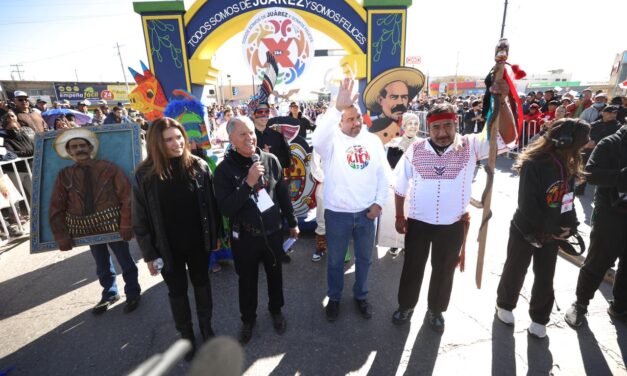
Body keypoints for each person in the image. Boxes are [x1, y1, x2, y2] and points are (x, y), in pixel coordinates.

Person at [391, 84, 516, 332]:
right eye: (436, 127)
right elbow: (399, 185)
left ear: (455, 124)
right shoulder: (415, 149)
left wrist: (502, 102)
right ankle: (406, 306)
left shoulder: (471, 145)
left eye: (447, 125)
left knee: (444, 270)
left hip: (452, 224)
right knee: (412, 268)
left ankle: (436, 310)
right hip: (418, 222)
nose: (442, 132)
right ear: (429, 128)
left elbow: (508, 138)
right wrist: (398, 214)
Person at [133, 117, 222, 359]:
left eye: (179, 136)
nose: (177, 143)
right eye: (168, 139)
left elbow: (212, 207)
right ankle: (186, 337)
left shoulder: (199, 166)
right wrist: (149, 254)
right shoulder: (144, 175)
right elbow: (139, 219)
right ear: (156, 143)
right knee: (177, 292)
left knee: (202, 285)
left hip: (198, 243)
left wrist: (216, 236)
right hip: (166, 247)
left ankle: (206, 328)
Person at [495, 118, 590, 339]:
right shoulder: (534, 162)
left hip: (553, 231)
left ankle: (539, 318)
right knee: (515, 269)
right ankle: (504, 305)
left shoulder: (570, 162)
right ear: (566, 140)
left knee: (546, 276)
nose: (588, 143)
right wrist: (551, 228)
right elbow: (527, 205)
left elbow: (568, 198)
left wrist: (571, 225)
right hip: (525, 229)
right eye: (584, 139)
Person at [213, 116, 299, 344]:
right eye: (243, 134)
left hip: (272, 233)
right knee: (247, 281)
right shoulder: (223, 170)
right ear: (231, 139)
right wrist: (248, 183)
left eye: (251, 132)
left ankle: (276, 310)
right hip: (245, 237)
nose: (250, 138)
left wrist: (292, 222)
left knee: (275, 275)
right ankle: (248, 319)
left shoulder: (270, 160)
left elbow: (282, 194)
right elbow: (226, 207)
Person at [312, 78, 389, 322]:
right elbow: (317, 140)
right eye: (349, 119)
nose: (355, 123)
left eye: (357, 118)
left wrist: (379, 203)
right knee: (335, 261)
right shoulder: (332, 143)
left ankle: (361, 296)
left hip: (367, 215)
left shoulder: (373, 142)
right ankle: (334, 298)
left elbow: (383, 175)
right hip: (338, 214)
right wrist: (337, 108)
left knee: (365, 260)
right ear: (340, 122)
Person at [48, 128, 141, 315]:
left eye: (82, 145)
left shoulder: (109, 168)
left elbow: (127, 197)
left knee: (125, 259)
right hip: (85, 228)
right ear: (69, 152)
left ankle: (133, 292)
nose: (79, 149)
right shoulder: (64, 175)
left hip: (112, 224)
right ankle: (109, 293)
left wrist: (125, 223)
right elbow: (56, 205)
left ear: (90, 148)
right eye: (74, 146)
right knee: (101, 263)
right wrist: (61, 235)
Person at [564, 123, 627, 328]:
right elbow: (589, 173)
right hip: (610, 214)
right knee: (598, 262)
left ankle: (619, 307)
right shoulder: (611, 143)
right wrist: (621, 176)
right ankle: (580, 304)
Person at [380, 112, 420, 257]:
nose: (413, 127)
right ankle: (394, 244)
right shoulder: (394, 143)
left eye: (416, 124)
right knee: (396, 215)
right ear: (404, 126)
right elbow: (390, 164)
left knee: (412, 216)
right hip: (397, 186)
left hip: (416, 187)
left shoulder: (423, 144)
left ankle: (406, 244)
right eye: (410, 123)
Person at [363, 67, 425, 145]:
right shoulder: (368, 122)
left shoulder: (408, 124)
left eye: (404, 97)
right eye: (394, 97)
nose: (400, 102)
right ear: (380, 100)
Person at [575, 105, 622, 196]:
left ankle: (601, 194)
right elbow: (585, 135)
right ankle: (580, 189)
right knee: (584, 169)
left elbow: (615, 139)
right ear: (603, 113)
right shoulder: (595, 124)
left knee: (601, 175)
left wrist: (596, 143)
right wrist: (586, 143)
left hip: (606, 154)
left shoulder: (618, 126)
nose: (613, 115)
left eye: (615, 113)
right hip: (589, 151)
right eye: (610, 113)